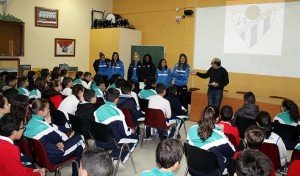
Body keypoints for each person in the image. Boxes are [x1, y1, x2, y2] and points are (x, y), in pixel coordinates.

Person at [25, 98, 85, 176]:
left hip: (40, 157)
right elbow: (59, 138)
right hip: (55, 155)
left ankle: (76, 169)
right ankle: (79, 172)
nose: (49, 110)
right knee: (80, 138)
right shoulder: (43, 127)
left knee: (76, 146)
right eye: (47, 109)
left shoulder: (30, 123)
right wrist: (49, 122)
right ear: (41, 112)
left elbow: (53, 137)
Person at [187, 105, 235, 174]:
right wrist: (223, 133)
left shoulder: (191, 129)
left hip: (193, 168)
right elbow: (231, 153)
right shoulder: (220, 137)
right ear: (217, 119)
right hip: (212, 172)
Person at [94, 88, 138, 163]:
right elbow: (126, 132)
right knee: (135, 137)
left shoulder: (97, 110)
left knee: (117, 133)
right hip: (112, 142)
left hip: (99, 140)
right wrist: (132, 130)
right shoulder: (118, 112)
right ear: (116, 99)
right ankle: (119, 159)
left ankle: (113, 154)